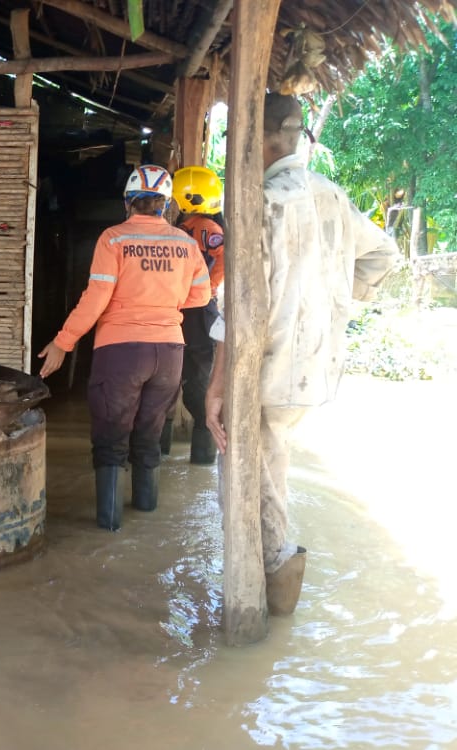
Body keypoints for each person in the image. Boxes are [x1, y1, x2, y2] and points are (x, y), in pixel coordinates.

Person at [204, 93, 400, 614]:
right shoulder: (332, 195)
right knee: (272, 473)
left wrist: (217, 385)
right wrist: (337, 301)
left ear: (261, 141)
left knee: (244, 486)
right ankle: (274, 607)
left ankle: (264, 606)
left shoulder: (261, 201)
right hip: (317, 369)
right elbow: (386, 253)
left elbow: (240, 306)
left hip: (263, 371)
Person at [38, 164, 211, 531]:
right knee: (149, 431)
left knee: (111, 433)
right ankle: (146, 509)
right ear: (166, 205)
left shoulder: (113, 239)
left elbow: (96, 296)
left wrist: (62, 342)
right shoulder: (186, 243)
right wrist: (163, 302)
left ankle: (110, 522)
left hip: (121, 351)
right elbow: (201, 295)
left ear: (127, 203)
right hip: (169, 352)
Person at [160, 165, 226, 464]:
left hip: (192, 312)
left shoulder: (203, 230)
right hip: (189, 312)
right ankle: (199, 455)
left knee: (183, 382)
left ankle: (185, 452)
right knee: (185, 381)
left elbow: (223, 260)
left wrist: (208, 289)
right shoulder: (193, 228)